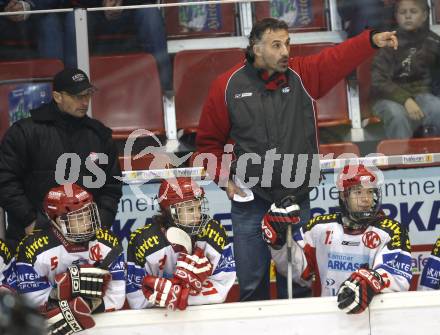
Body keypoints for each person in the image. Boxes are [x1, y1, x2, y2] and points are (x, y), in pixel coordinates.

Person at [196, 17, 398, 301]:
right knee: (252, 286)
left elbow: (337, 58)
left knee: (299, 285)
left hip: (296, 199)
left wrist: (370, 39)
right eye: (276, 45)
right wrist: (225, 180)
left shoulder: (303, 74)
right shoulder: (226, 86)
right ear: (256, 48)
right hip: (250, 203)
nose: (285, 52)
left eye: (288, 44)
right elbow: (207, 145)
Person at [263, 164, 412, 313]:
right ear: (343, 195)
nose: (366, 199)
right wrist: (279, 242)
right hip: (328, 317)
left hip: (374, 316)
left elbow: (399, 280)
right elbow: (297, 273)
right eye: (358, 192)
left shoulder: (392, 230)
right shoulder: (319, 227)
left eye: (370, 192)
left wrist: (373, 281)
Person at [0, 67, 122, 248]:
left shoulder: (100, 135)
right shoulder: (24, 132)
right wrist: (30, 221)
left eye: (87, 95)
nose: (85, 102)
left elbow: (111, 187)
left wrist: (101, 225)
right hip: (34, 238)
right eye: (77, 96)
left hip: (86, 241)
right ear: (58, 97)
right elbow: (5, 180)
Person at [15, 183, 126, 334]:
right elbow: (32, 304)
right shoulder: (32, 249)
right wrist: (57, 296)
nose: (88, 223)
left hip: (99, 324)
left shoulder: (109, 242)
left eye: (89, 214)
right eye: (79, 218)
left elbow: (117, 297)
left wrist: (86, 305)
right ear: (58, 221)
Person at [126, 177, 236, 310]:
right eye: (190, 210)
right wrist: (174, 292)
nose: (198, 215)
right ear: (170, 211)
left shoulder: (213, 232)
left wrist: (181, 294)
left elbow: (222, 286)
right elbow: (136, 299)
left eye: (199, 207)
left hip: (203, 314)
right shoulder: (144, 242)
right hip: (159, 318)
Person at [56, 0, 172, 91]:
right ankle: (72, 91)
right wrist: (102, 3)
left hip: (132, 8)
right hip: (90, 10)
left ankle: (165, 92)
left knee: (151, 15)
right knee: (74, 20)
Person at [371, 0, 440, 139]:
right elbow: (379, 81)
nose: (408, 16)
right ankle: (403, 158)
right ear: (396, 16)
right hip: (387, 98)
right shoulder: (388, 42)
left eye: (413, 12)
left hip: (421, 95)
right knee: (398, 116)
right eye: (403, 12)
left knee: (437, 108)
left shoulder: (434, 42)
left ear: (425, 15)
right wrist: (406, 100)